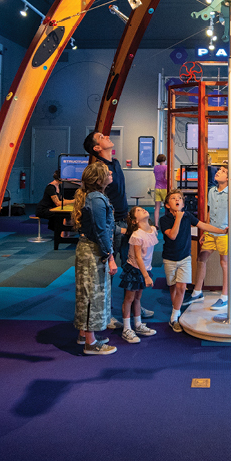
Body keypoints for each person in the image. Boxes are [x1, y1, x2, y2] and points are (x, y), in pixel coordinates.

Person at [84, 130, 152, 322]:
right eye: (101, 137)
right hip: (112, 224)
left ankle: (134, 305)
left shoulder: (115, 163)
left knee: (133, 265)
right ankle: (108, 312)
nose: (106, 136)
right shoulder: (99, 169)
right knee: (110, 271)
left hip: (126, 220)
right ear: (97, 148)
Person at [159, 188, 221, 332]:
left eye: (179, 198)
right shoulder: (164, 220)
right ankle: (177, 310)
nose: (177, 200)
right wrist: (178, 219)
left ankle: (174, 316)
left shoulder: (187, 216)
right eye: (173, 198)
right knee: (173, 287)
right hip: (169, 258)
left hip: (185, 257)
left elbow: (203, 225)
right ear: (167, 205)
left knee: (181, 287)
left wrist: (221, 231)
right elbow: (172, 235)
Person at [73, 161, 118, 355]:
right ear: (99, 179)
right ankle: (90, 343)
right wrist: (110, 256)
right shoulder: (97, 199)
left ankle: (85, 334)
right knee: (93, 294)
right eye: (107, 173)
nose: (111, 174)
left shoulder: (94, 197)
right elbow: (101, 231)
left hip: (90, 249)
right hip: (93, 251)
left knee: (88, 293)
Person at [191, 165, 231, 311]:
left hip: (225, 232)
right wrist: (205, 230)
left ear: (229, 177)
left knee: (224, 262)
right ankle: (197, 292)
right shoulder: (211, 191)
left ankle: (225, 296)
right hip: (212, 231)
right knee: (202, 257)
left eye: (223, 171)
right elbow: (210, 212)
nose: (218, 172)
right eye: (219, 170)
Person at [118, 207, 159, 343]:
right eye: (139, 211)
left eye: (143, 209)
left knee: (138, 297)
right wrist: (146, 275)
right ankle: (126, 328)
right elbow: (138, 257)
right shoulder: (137, 235)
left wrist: (146, 273)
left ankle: (138, 324)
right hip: (135, 269)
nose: (143, 210)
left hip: (144, 270)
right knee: (129, 298)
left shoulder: (153, 230)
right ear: (135, 221)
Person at [152, 154, 169, 224]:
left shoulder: (155, 167)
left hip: (157, 188)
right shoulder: (166, 167)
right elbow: (166, 178)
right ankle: (166, 222)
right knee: (167, 207)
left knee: (157, 208)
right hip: (164, 188)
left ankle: (156, 224)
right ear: (165, 160)